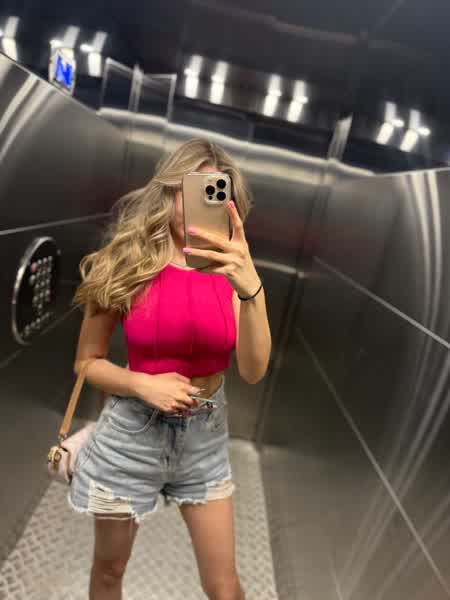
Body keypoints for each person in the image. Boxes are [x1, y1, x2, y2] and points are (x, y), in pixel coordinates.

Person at [68, 137, 272, 600]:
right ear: (169, 190)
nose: (200, 202)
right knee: (109, 571)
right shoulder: (125, 261)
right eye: (191, 189)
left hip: (205, 439)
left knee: (224, 587)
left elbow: (253, 370)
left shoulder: (234, 270)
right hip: (130, 435)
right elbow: (86, 363)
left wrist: (250, 287)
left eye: (215, 192)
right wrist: (142, 384)